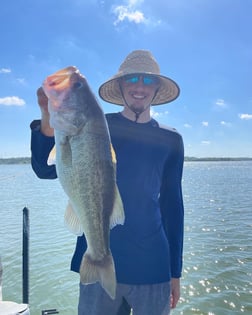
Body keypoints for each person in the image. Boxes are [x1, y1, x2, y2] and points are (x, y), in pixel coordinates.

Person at [30, 50, 184, 315]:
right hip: (95, 259)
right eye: (132, 79)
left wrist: (175, 271)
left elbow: (173, 207)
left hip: (154, 267)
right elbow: (44, 169)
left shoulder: (172, 140)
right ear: (121, 85)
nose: (139, 87)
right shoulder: (97, 125)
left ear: (157, 89)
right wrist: (47, 116)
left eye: (148, 81)